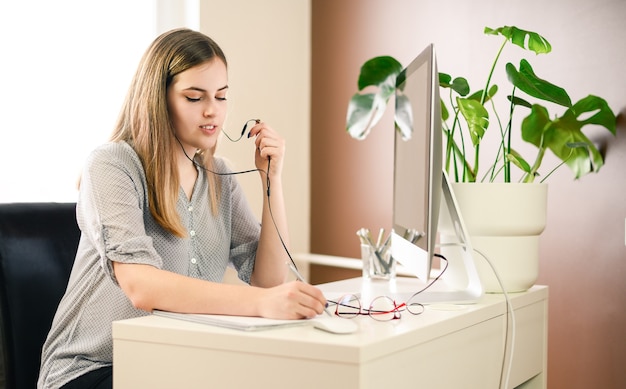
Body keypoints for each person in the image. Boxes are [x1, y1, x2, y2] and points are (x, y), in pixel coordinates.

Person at [37, 28, 327, 389]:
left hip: (173, 363)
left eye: (221, 97)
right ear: (158, 100)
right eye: (194, 97)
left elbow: (267, 280)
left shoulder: (220, 176)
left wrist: (272, 180)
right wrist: (261, 303)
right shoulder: (112, 165)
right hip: (93, 370)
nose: (212, 111)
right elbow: (141, 286)